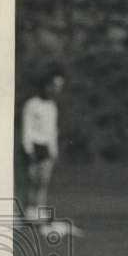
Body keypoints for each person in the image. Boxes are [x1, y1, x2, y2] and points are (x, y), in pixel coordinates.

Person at [21, 69, 80, 236]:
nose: (57, 89)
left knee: (43, 183)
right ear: (46, 85)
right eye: (54, 85)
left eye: (59, 86)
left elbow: (52, 132)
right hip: (34, 146)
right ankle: (30, 216)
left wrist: (53, 152)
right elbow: (27, 128)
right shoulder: (32, 104)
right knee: (32, 182)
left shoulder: (52, 107)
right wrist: (28, 149)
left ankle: (39, 217)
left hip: (46, 148)